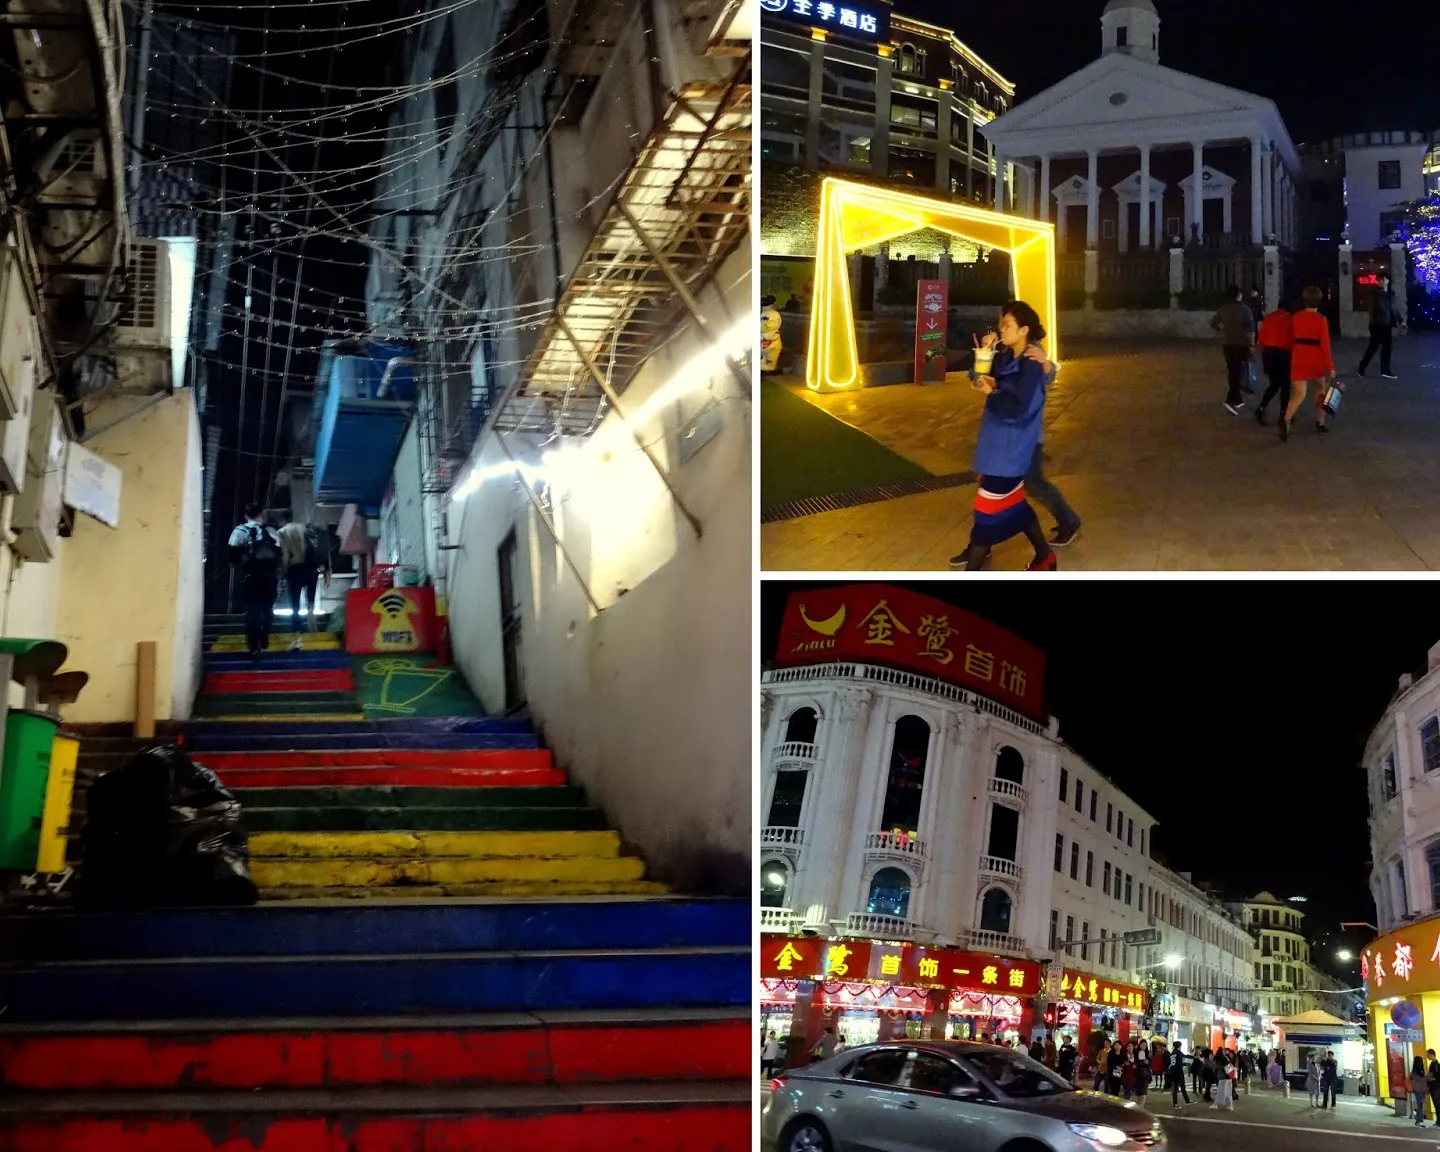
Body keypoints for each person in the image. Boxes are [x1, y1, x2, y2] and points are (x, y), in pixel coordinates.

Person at [951, 301, 1058, 571]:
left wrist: (992, 393)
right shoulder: (1006, 358)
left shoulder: (1033, 364)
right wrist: (984, 356)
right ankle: (1044, 555)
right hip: (994, 444)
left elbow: (1018, 409)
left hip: (1011, 448)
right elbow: (978, 379)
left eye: (1007, 324)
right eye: (1001, 323)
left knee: (986, 513)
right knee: (1013, 504)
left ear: (1024, 330)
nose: (1001, 329)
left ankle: (973, 567)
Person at [1283, 286, 1338, 439]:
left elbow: (1290, 339)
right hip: (1315, 358)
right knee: (1320, 390)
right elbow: (1325, 346)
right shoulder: (1321, 319)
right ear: (1319, 301)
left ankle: (1286, 420)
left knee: (1299, 393)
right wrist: (1330, 367)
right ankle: (1320, 421)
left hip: (1299, 355)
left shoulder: (1296, 317)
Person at [228, 503, 281, 661]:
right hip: (270, 578)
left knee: (252, 611)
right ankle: (265, 632)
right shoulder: (271, 532)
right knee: (267, 609)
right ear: (262, 516)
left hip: (250, 577)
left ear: (246, 516)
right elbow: (278, 553)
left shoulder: (239, 531)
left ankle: (254, 648)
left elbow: (233, 556)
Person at [277, 515, 331, 649]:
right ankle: (311, 616)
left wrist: (283, 571)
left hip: (294, 569)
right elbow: (321, 549)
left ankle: (297, 633)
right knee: (310, 598)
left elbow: (284, 554)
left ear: (282, 521)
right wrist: (327, 571)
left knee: (295, 603)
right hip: (311, 568)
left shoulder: (282, 532)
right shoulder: (307, 528)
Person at [1210, 284, 1256, 415]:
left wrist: (1223, 328)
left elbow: (1213, 323)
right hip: (1241, 345)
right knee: (1239, 372)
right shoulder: (1245, 309)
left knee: (1232, 370)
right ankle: (1231, 401)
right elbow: (1250, 330)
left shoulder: (1223, 309)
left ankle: (1237, 399)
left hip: (1228, 344)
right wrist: (1252, 346)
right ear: (1238, 295)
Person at [1254, 300, 1295, 425]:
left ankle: (1261, 407)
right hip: (1283, 354)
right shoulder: (1291, 320)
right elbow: (1293, 342)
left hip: (1268, 353)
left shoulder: (1268, 318)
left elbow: (1260, 340)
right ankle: (1283, 413)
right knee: (1285, 385)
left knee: (1274, 384)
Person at [1357, 272, 1404, 380]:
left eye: (1384, 279)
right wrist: (1375, 322)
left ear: (1388, 281)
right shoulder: (1374, 295)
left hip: (1386, 325)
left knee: (1385, 348)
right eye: (1380, 280)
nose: (1382, 282)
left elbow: (1395, 310)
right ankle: (1363, 367)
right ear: (1377, 282)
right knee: (1373, 347)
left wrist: (1401, 321)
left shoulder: (1390, 295)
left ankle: (1384, 370)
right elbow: (1372, 310)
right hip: (1377, 325)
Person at [1168, 1041, 1191, 1109]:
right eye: (1180, 1046)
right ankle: (1175, 1104)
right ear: (1179, 1046)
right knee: (1178, 1088)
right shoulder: (1178, 1052)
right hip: (1178, 1072)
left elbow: (1175, 1062)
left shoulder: (1172, 1053)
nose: (1181, 1047)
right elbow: (1185, 1057)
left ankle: (1187, 1100)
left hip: (1173, 1072)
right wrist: (1193, 1057)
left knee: (1178, 1087)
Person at [1413, 1055, 1432, 1126]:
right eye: (1422, 1060)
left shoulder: (1421, 1070)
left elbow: (1423, 1079)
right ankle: (1419, 1120)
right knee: (1420, 1104)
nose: (1423, 1061)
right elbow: (1420, 1079)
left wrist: (1429, 1077)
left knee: (1421, 1105)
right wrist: (1428, 1076)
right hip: (1418, 1090)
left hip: (1422, 1090)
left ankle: (1419, 1119)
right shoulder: (1414, 1071)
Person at [1427, 1048, 1440, 1128]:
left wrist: (1431, 1078)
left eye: (1428, 1055)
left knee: (1438, 1105)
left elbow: (1436, 1077)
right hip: (1433, 1087)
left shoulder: (1436, 1065)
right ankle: (1438, 1122)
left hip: (1436, 1087)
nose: (1427, 1057)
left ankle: (1439, 1122)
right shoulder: (1432, 1064)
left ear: (1432, 1055)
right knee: (1436, 1105)